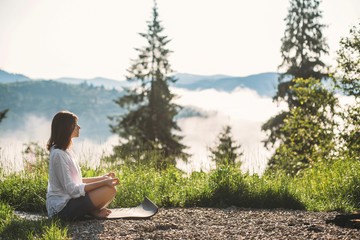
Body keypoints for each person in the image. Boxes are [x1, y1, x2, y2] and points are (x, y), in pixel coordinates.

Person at [46, 110, 119, 220]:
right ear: (66, 128)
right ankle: (93, 212)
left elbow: (77, 181)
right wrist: (103, 182)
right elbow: (73, 190)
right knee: (109, 189)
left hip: (70, 202)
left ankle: (93, 212)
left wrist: (102, 178)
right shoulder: (58, 155)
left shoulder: (66, 152)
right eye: (75, 125)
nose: (79, 127)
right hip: (61, 210)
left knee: (109, 188)